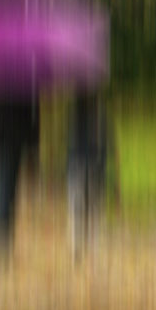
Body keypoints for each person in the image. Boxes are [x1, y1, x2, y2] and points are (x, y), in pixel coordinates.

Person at [0, 92, 39, 253]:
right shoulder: (27, 73)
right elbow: (32, 110)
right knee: (6, 191)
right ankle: (2, 248)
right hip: (12, 135)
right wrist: (32, 148)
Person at [66, 90, 115, 255]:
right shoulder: (102, 118)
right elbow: (110, 146)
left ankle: (76, 246)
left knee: (76, 208)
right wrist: (116, 178)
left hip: (76, 165)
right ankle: (94, 247)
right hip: (96, 166)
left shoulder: (73, 117)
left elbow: (68, 145)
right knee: (94, 209)